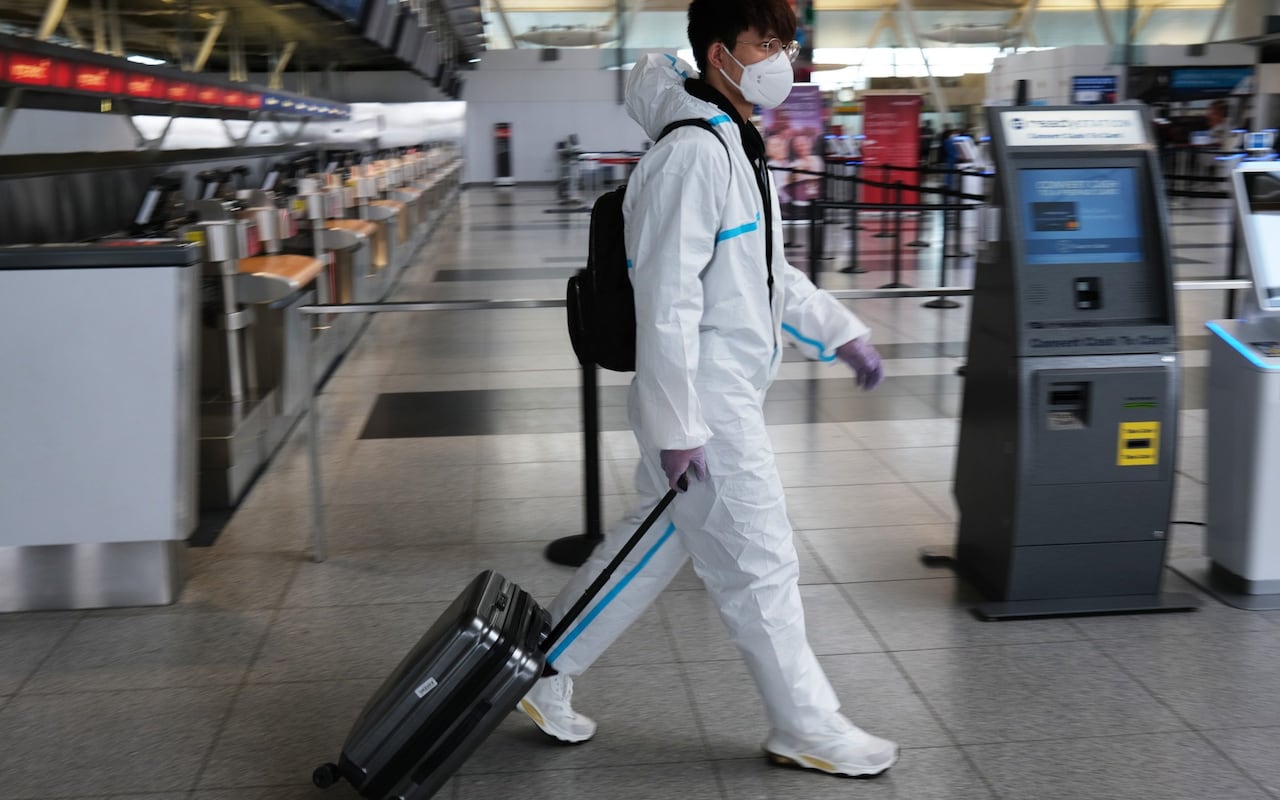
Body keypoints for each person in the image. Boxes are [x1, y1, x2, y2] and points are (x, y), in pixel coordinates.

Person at [517, 0, 898, 780]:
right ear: (721, 53)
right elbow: (667, 301)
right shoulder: (691, 155)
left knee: (648, 546)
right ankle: (807, 725)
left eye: (786, 42)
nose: (780, 58)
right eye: (766, 42)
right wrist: (679, 423)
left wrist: (839, 329)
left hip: (712, 395)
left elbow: (766, 275)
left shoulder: (734, 145)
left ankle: (543, 670)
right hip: (705, 404)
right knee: (760, 563)